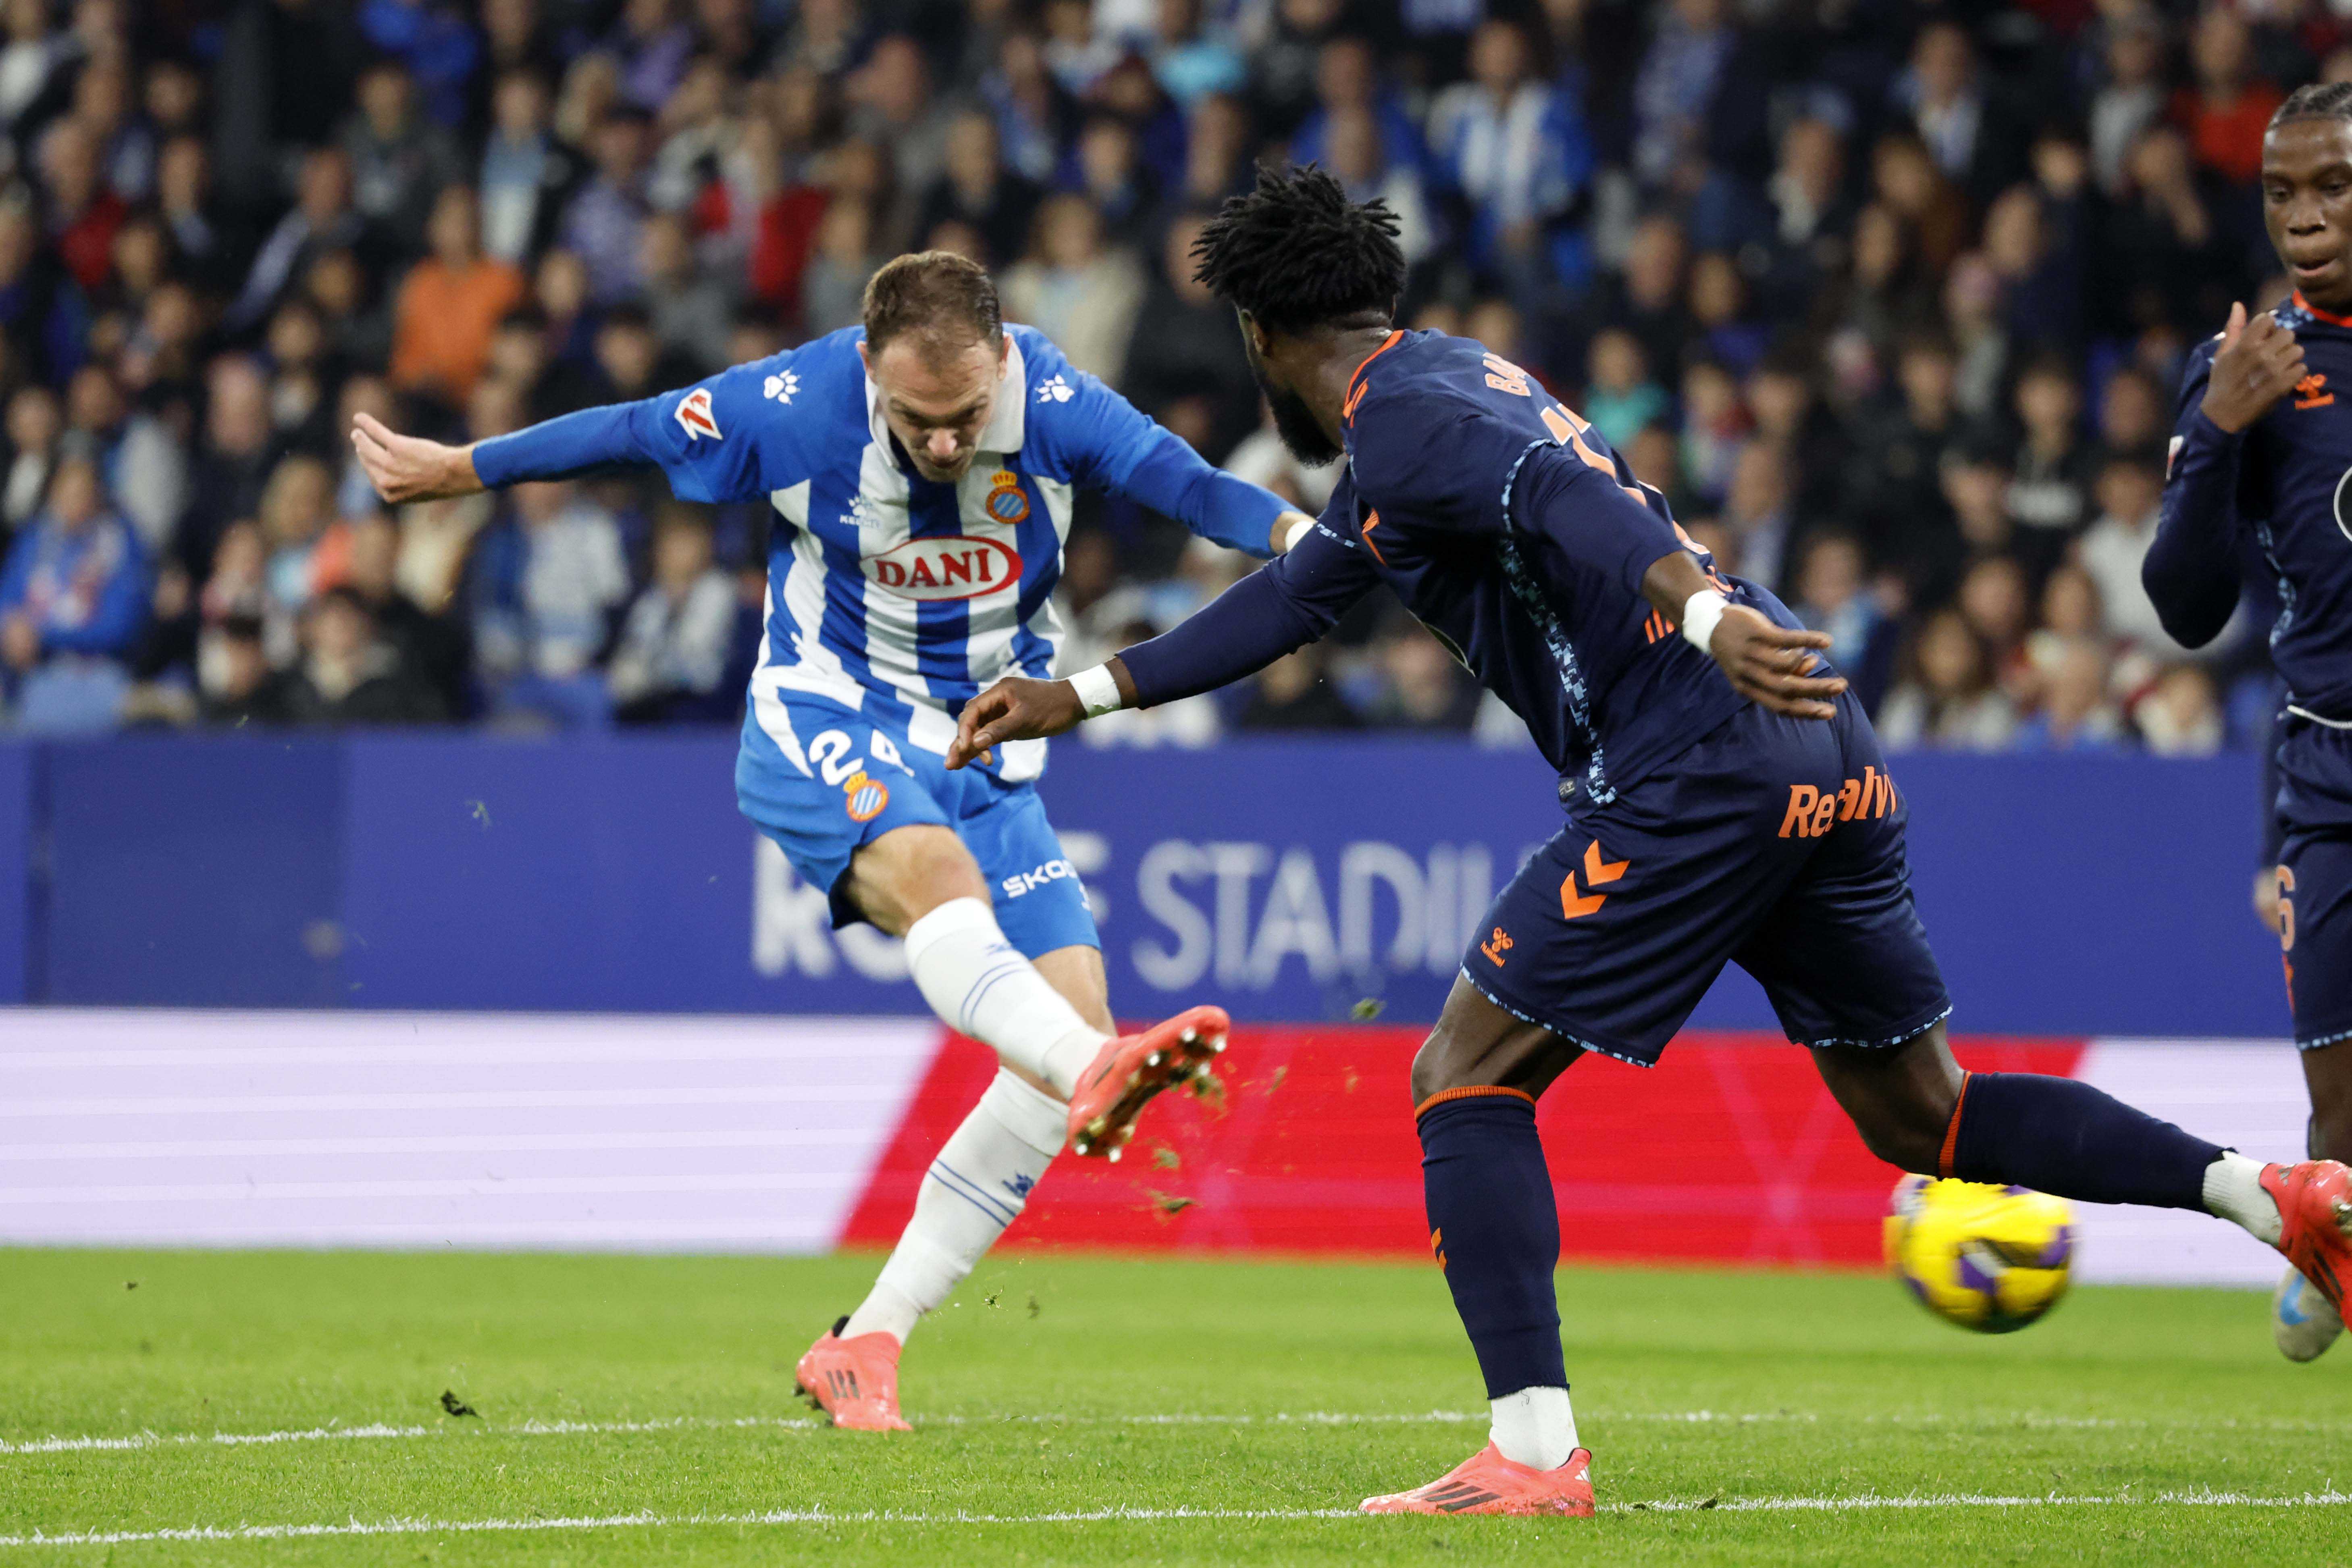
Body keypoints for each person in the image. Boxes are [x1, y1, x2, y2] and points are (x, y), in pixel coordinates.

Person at [946, 166, 2352, 1517]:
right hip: (1814, 744)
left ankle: (1530, 1452)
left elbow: (1577, 504)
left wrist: (1697, 611)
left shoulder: (1413, 423)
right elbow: (1297, 595)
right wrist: (1079, 693)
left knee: (1463, 1073)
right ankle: (2269, 1195)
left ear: (1259, 336)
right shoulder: (1440, 389)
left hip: (1698, 751)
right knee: (1920, 1113)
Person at [350, 249, 1314, 1431]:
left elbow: (1188, 485)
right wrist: (464, 468)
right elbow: (636, 430)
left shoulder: (1053, 396)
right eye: (916, 418)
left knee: (1063, 1027)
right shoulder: (797, 405)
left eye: (967, 416)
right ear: (868, 371)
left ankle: (867, 1341)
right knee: (969, 917)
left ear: (1001, 362)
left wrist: (1304, 537)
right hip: (829, 710)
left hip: (987, 745)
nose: (946, 443)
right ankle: (1090, 1071)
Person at [2144, 82, 2352, 1364]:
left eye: (2332, 186)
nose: (2304, 218)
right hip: (2332, 777)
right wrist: (2220, 425)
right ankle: (2329, 1233)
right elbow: (2183, 607)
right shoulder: (2249, 369)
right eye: (2281, 193)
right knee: (2342, 1135)